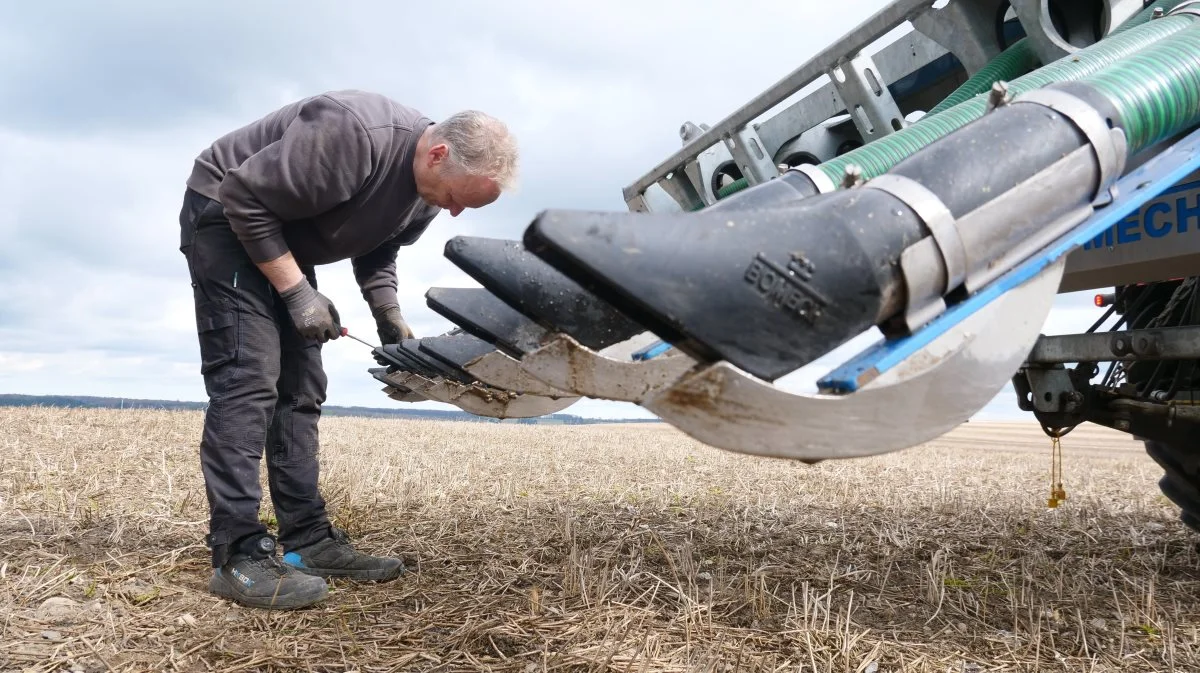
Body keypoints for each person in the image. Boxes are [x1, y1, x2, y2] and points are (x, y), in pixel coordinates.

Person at [177, 90, 518, 610]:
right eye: (455, 198)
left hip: (276, 236)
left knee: (302, 388)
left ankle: (308, 540)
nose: (451, 212)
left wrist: (388, 313)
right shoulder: (351, 136)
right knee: (249, 380)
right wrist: (297, 293)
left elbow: (380, 245)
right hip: (226, 216)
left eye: (464, 208)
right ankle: (237, 554)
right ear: (438, 155)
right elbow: (244, 197)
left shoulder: (429, 194)